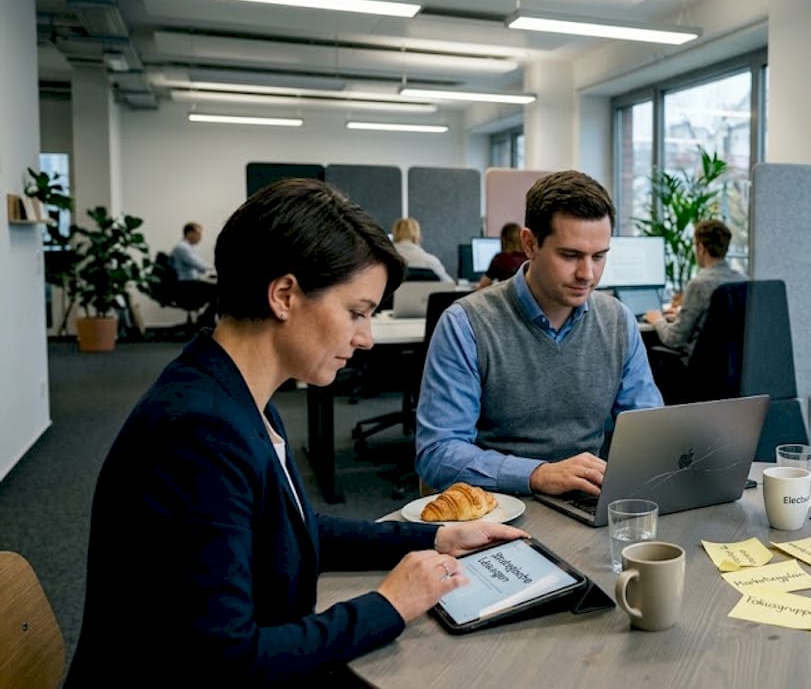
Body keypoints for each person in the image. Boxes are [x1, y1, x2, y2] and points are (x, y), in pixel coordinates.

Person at [66, 179, 526, 685]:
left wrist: (437, 536)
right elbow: (229, 660)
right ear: (284, 295)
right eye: (356, 312)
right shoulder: (198, 433)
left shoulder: (236, 394)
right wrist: (389, 605)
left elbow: (292, 532)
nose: (366, 338)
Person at [416, 170, 663, 496]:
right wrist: (538, 475)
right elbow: (438, 452)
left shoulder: (617, 321)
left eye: (599, 256)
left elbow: (648, 429)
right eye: (570, 255)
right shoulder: (466, 324)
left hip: (587, 501)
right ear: (530, 244)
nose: (587, 274)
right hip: (498, 507)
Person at [643, 219, 746, 360]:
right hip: (731, 367)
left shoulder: (699, 284)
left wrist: (657, 320)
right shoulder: (742, 281)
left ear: (701, 248)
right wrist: (681, 315)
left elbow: (673, 339)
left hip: (696, 368)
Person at [170, 221, 219, 327]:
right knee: (221, 291)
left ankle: (206, 319)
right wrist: (218, 270)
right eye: (199, 233)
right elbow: (200, 266)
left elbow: (201, 266)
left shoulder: (187, 247)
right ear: (190, 233)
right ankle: (206, 320)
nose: (200, 237)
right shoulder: (182, 248)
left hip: (189, 283)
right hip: (185, 286)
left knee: (219, 290)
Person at [392, 217, 454, 284]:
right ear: (417, 235)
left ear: (395, 233)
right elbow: (450, 284)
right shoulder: (430, 261)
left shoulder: (385, 260)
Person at [476, 222, 528, 289]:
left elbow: (483, 285)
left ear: (503, 239)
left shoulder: (500, 258)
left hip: (506, 297)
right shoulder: (529, 257)